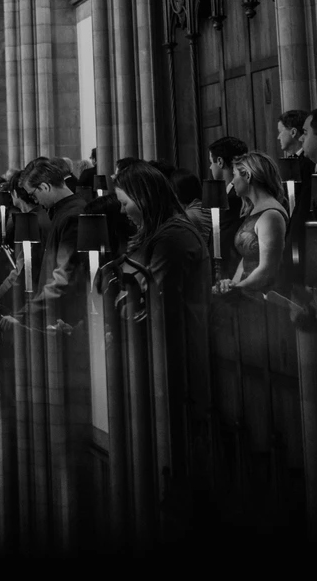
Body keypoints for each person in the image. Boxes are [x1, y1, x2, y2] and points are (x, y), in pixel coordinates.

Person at [113, 161, 211, 485]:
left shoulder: (174, 235)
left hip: (174, 351)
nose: (122, 210)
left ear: (143, 198)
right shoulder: (160, 232)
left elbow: (157, 300)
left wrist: (126, 299)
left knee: (174, 447)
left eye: (124, 202)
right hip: (158, 347)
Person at [214, 152, 289, 294]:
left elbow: (267, 270)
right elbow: (246, 258)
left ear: (247, 176)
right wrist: (232, 284)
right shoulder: (255, 210)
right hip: (250, 293)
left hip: (267, 299)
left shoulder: (271, 215)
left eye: (235, 175)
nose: (232, 182)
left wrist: (237, 289)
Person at [16, 156, 86, 298]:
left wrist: (31, 312)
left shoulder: (72, 216)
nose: (34, 201)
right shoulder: (62, 211)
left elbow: (63, 279)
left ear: (44, 187)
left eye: (33, 196)